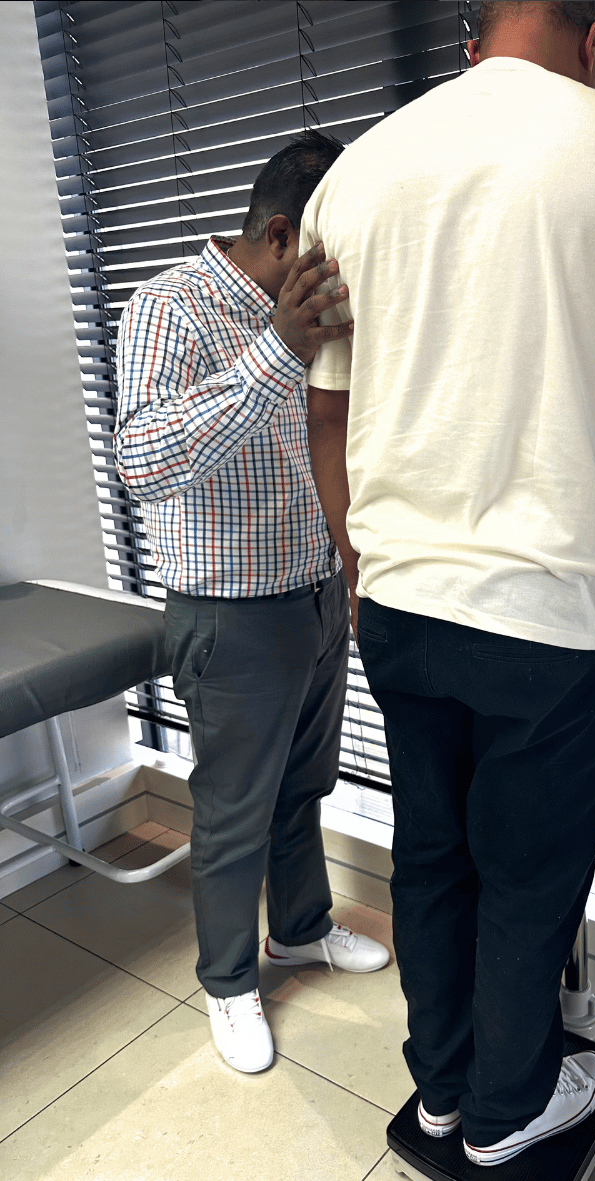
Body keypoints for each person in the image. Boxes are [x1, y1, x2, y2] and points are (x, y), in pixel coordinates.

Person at [302, 0, 595, 1166]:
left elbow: (327, 411)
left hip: (400, 600)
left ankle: (444, 1091)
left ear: (470, 43)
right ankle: (507, 1116)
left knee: (433, 854)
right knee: (526, 875)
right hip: (551, 615)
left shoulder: (355, 177)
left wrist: (358, 567)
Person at [114, 130, 390, 1078]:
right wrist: (278, 349)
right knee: (235, 813)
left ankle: (300, 928)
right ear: (281, 235)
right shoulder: (171, 306)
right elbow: (143, 460)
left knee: (303, 789)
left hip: (316, 592)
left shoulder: (318, 309)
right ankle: (228, 981)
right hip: (231, 613)